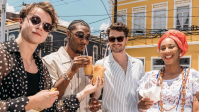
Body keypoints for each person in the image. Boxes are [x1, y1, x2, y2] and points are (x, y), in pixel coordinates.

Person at [0, 2, 104, 112]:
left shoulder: (41, 67)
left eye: (46, 26)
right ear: (21, 21)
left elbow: (52, 107)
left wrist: (85, 93)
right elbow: (36, 103)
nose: (40, 27)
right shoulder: (3, 55)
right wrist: (33, 101)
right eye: (35, 20)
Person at [42, 20, 103, 112]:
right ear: (68, 34)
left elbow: (90, 93)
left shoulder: (87, 64)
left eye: (87, 37)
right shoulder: (50, 61)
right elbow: (51, 95)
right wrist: (71, 71)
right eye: (80, 35)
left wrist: (92, 100)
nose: (84, 41)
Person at [137, 30, 199, 112]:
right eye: (163, 48)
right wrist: (141, 105)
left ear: (180, 49)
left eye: (171, 47)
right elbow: (141, 106)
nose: (166, 51)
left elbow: (197, 108)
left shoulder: (192, 76)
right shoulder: (150, 77)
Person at [90, 22, 145, 112]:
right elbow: (96, 95)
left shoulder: (138, 64)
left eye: (120, 39)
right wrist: (94, 93)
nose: (116, 42)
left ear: (126, 39)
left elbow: (141, 92)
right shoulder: (100, 64)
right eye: (112, 39)